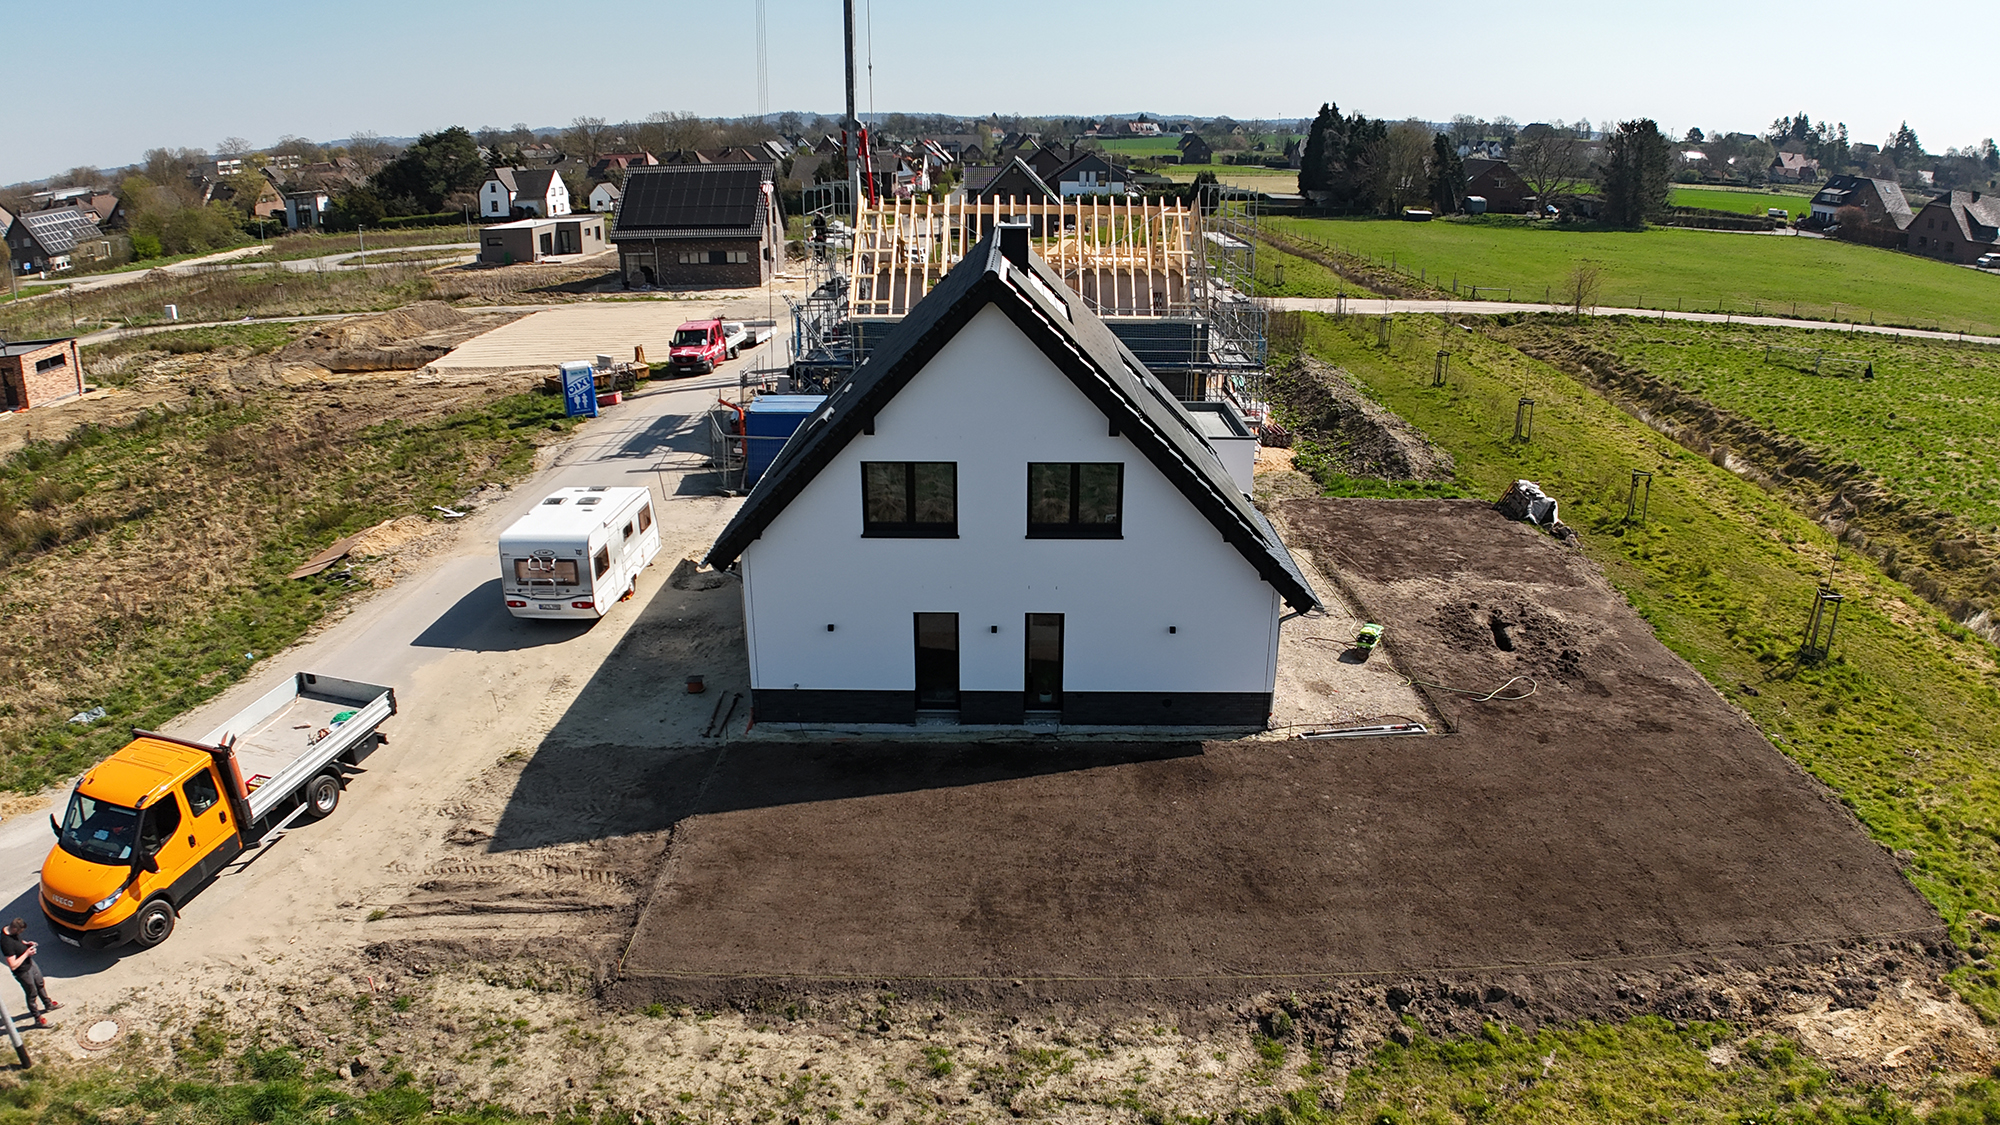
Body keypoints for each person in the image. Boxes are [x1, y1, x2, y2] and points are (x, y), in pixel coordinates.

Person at [0, 919, 58, 1027]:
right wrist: (27, 953)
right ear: (14, 929)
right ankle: (38, 1018)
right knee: (32, 993)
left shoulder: (10, 930)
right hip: (23, 972)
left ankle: (48, 1004)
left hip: (30, 964)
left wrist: (26, 944)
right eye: (20, 931)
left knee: (40, 983)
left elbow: (18, 941)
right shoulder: (6, 943)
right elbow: (13, 965)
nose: (20, 933)